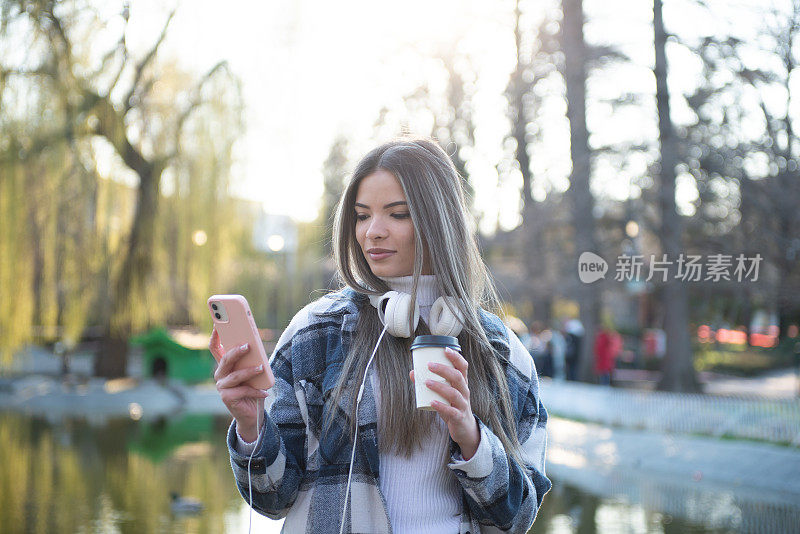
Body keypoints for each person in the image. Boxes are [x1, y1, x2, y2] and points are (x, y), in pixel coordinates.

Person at [209, 137, 551, 533]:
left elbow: (521, 517)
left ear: (440, 220)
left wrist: (471, 437)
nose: (373, 232)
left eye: (397, 214)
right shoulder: (315, 333)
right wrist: (252, 429)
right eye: (361, 215)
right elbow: (271, 500)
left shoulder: (502, 352)